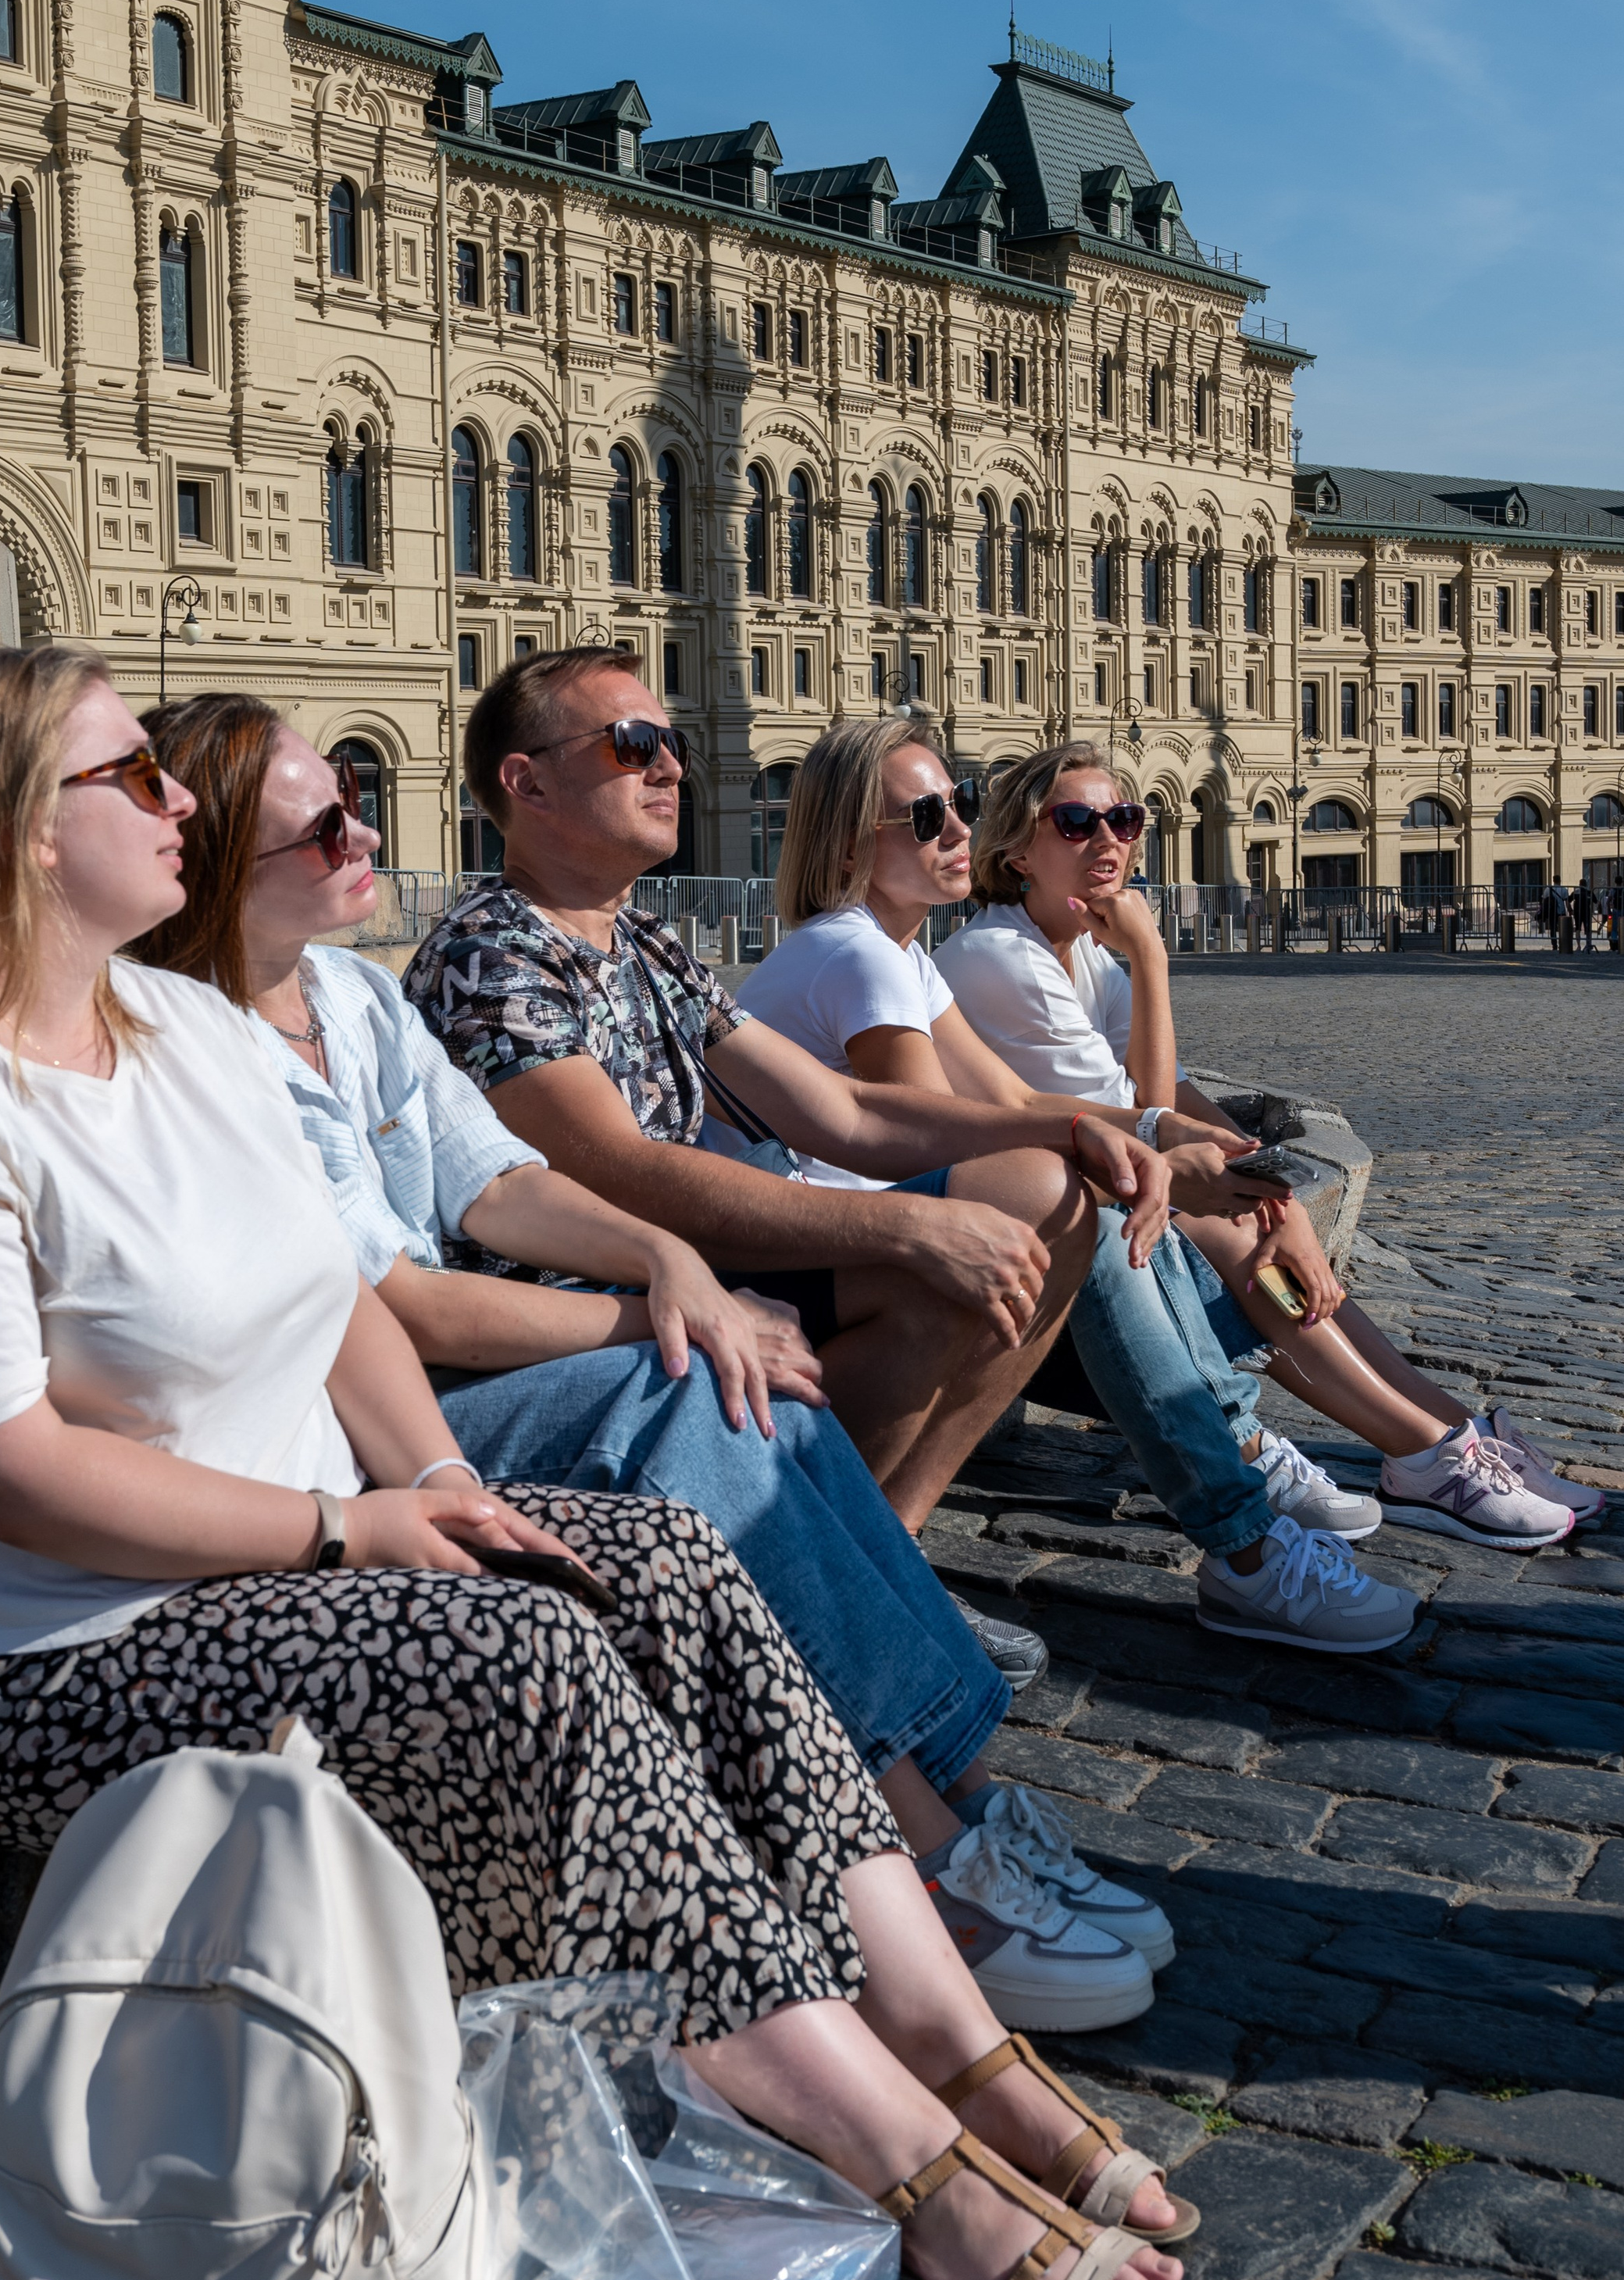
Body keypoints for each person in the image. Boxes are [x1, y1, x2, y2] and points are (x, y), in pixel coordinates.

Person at [0, 643, 1187, 2280]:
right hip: (24, 1655)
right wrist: (351, 1529)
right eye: (132, 776)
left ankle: (960, 2047)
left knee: (659, 1562)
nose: (172, 804)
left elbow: (341, 1292)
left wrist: (431, 1474)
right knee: (536, 1660)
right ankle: (896, 2150)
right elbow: (3, 1474)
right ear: (12, 833)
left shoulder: (182, 1025)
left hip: (280, 1560)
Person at [133, 691, 1167, 2032]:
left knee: (756, 1361)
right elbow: (413, 1296)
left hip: (522, 1342)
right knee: (709, 1386)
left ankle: (948, 1786)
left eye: (355, 797)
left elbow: (502, 1180)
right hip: (394, 1422)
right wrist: (666, 1302)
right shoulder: (354, 996)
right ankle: (915, 1847)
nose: (365, 828)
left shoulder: (351, 991)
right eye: (325, 820)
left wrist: (671, 1269)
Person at [404, 645, 1222, 1540]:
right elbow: (619, 1171)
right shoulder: (492, 948)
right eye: (634, 744)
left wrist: (1082, 1128)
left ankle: (883, 1551)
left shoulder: (644, 942)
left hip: (685, 1261)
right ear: (527, 783)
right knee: (969, 1238)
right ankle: (847, 1553)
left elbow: (850, 1110)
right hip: (580, 1309)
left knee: (1040, 1187)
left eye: (671, 742)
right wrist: (910, 1225)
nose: (671, 764)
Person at [738, 717, 1423, 1655]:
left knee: (1096, 1190)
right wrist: (1127, 1149)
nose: (957, 833)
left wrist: (1152, 1132)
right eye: (929, 814)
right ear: (854, 838)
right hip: (799, 1260)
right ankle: (1243, 1533)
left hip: (848, 1242)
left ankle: (1252, 1478)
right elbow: (928, 1132)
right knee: (1077, 1203)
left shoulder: (900, 955)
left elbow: (1012, 1097)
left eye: (962, 806)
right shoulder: (856, 952)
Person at [938, 744, 1596, 1551]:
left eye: (1123, 817)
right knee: (1228, 1228)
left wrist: (1275, 1195)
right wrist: (1149, 957)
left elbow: (1179, 1101)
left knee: (1253, 1221)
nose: (1106, 837)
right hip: (1008, 1244)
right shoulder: (1002, 958)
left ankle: (1447, 1428)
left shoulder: (1076, 952)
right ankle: (1422, 1451)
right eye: (1075, 821)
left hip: (1092, 1201)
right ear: (1016, 850)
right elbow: (1147, 1125)